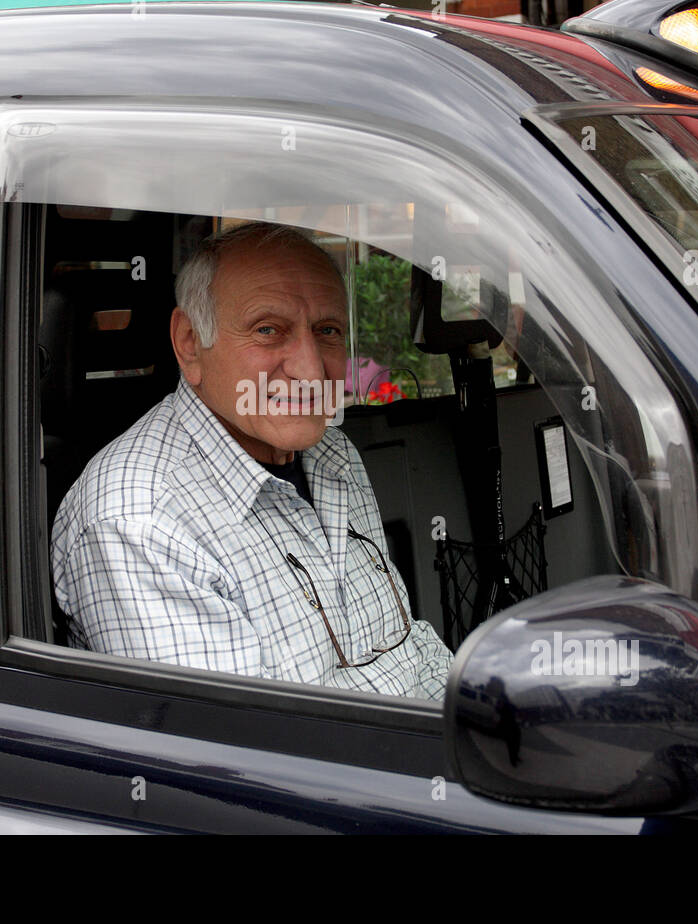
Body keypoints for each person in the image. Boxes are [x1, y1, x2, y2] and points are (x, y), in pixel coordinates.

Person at [51, 222, 452, 700]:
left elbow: (408, 648)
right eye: (268, 330)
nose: (310, 370)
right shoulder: (141, 522)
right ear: (189, 342)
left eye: (327, 331)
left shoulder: (332, 452)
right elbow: (243, 743)